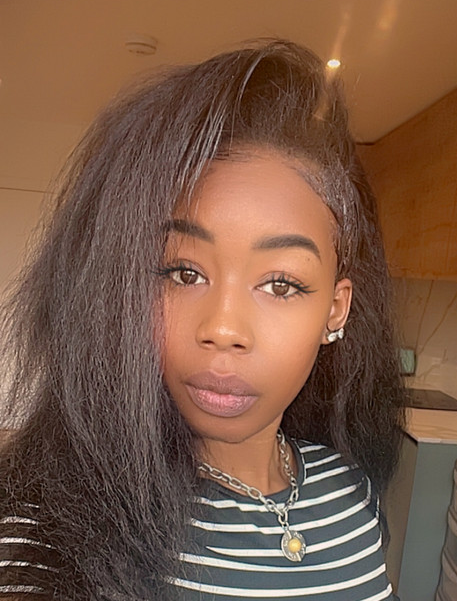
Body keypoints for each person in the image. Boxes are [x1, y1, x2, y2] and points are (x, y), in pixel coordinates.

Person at [0, 40, 405, 600]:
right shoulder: (53, 535)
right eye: (183, 273)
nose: (224, 328)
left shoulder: (353, 494)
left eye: (281, 284)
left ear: (335, 309)